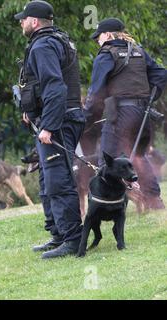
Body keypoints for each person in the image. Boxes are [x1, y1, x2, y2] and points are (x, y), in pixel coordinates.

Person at [15, 0, 85, 258]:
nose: (21, 23)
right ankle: (57, 233)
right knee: (47, 178)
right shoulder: (58, 39)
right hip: (63, 116)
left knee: (58, 180)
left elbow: (55, 87)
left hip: (59, 120)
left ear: (34, 21)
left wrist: (49, 126)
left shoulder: (43, 45)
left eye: (23, 19)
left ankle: (73, 239)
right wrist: (31, 110)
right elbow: (41, 86)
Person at [85, 17, 167, 210]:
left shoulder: (106, 54)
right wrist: (149, 98)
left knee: (106, 157)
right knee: (138, 156)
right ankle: (154, 201)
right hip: (142, 114)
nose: (98, 40)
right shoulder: (139, 51)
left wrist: (86, 116)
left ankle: (103, 204)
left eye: (98, 36)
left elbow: (95, 91)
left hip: (121, 113)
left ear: (107, 34)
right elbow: (161, 74)